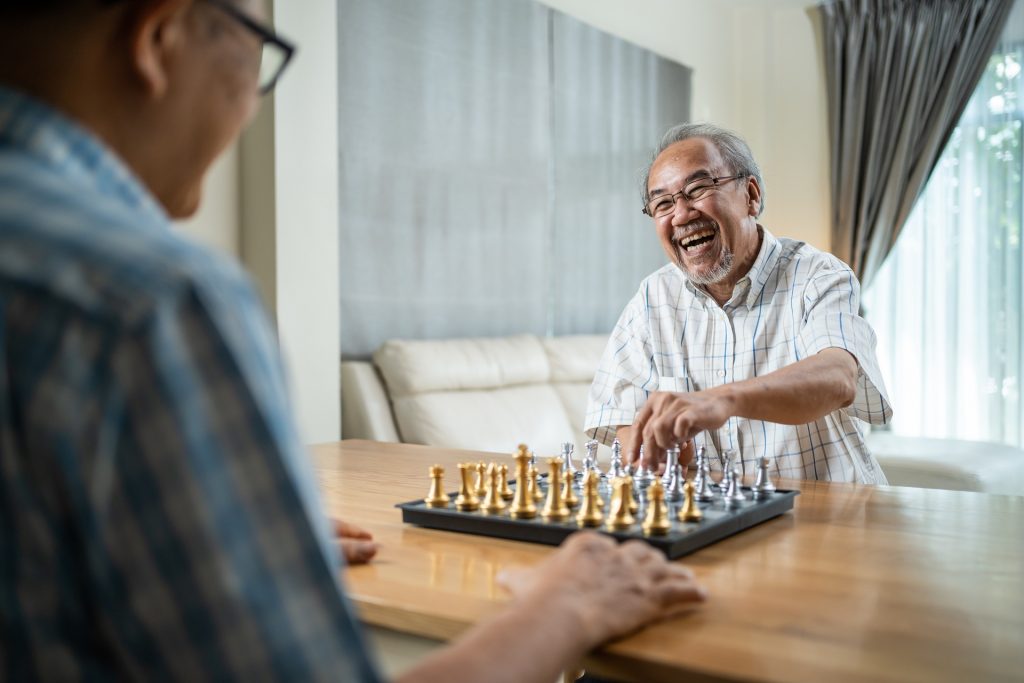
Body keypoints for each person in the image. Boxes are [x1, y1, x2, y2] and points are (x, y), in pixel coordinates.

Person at [0, 1, 706, 681]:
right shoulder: (152, 302)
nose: (253, 104)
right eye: (259, 60)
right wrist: (566, 606)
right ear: (158, 37)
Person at [585, 123, 893, 483]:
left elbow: (838, 377)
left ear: (751, 195)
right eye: (663, 203)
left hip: (831, 515)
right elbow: (626, 421)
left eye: (698, 189)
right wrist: (653, 451)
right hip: (718, 521)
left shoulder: (818, 274)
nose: (681, 214)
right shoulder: (653, 299)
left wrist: (721, 400)